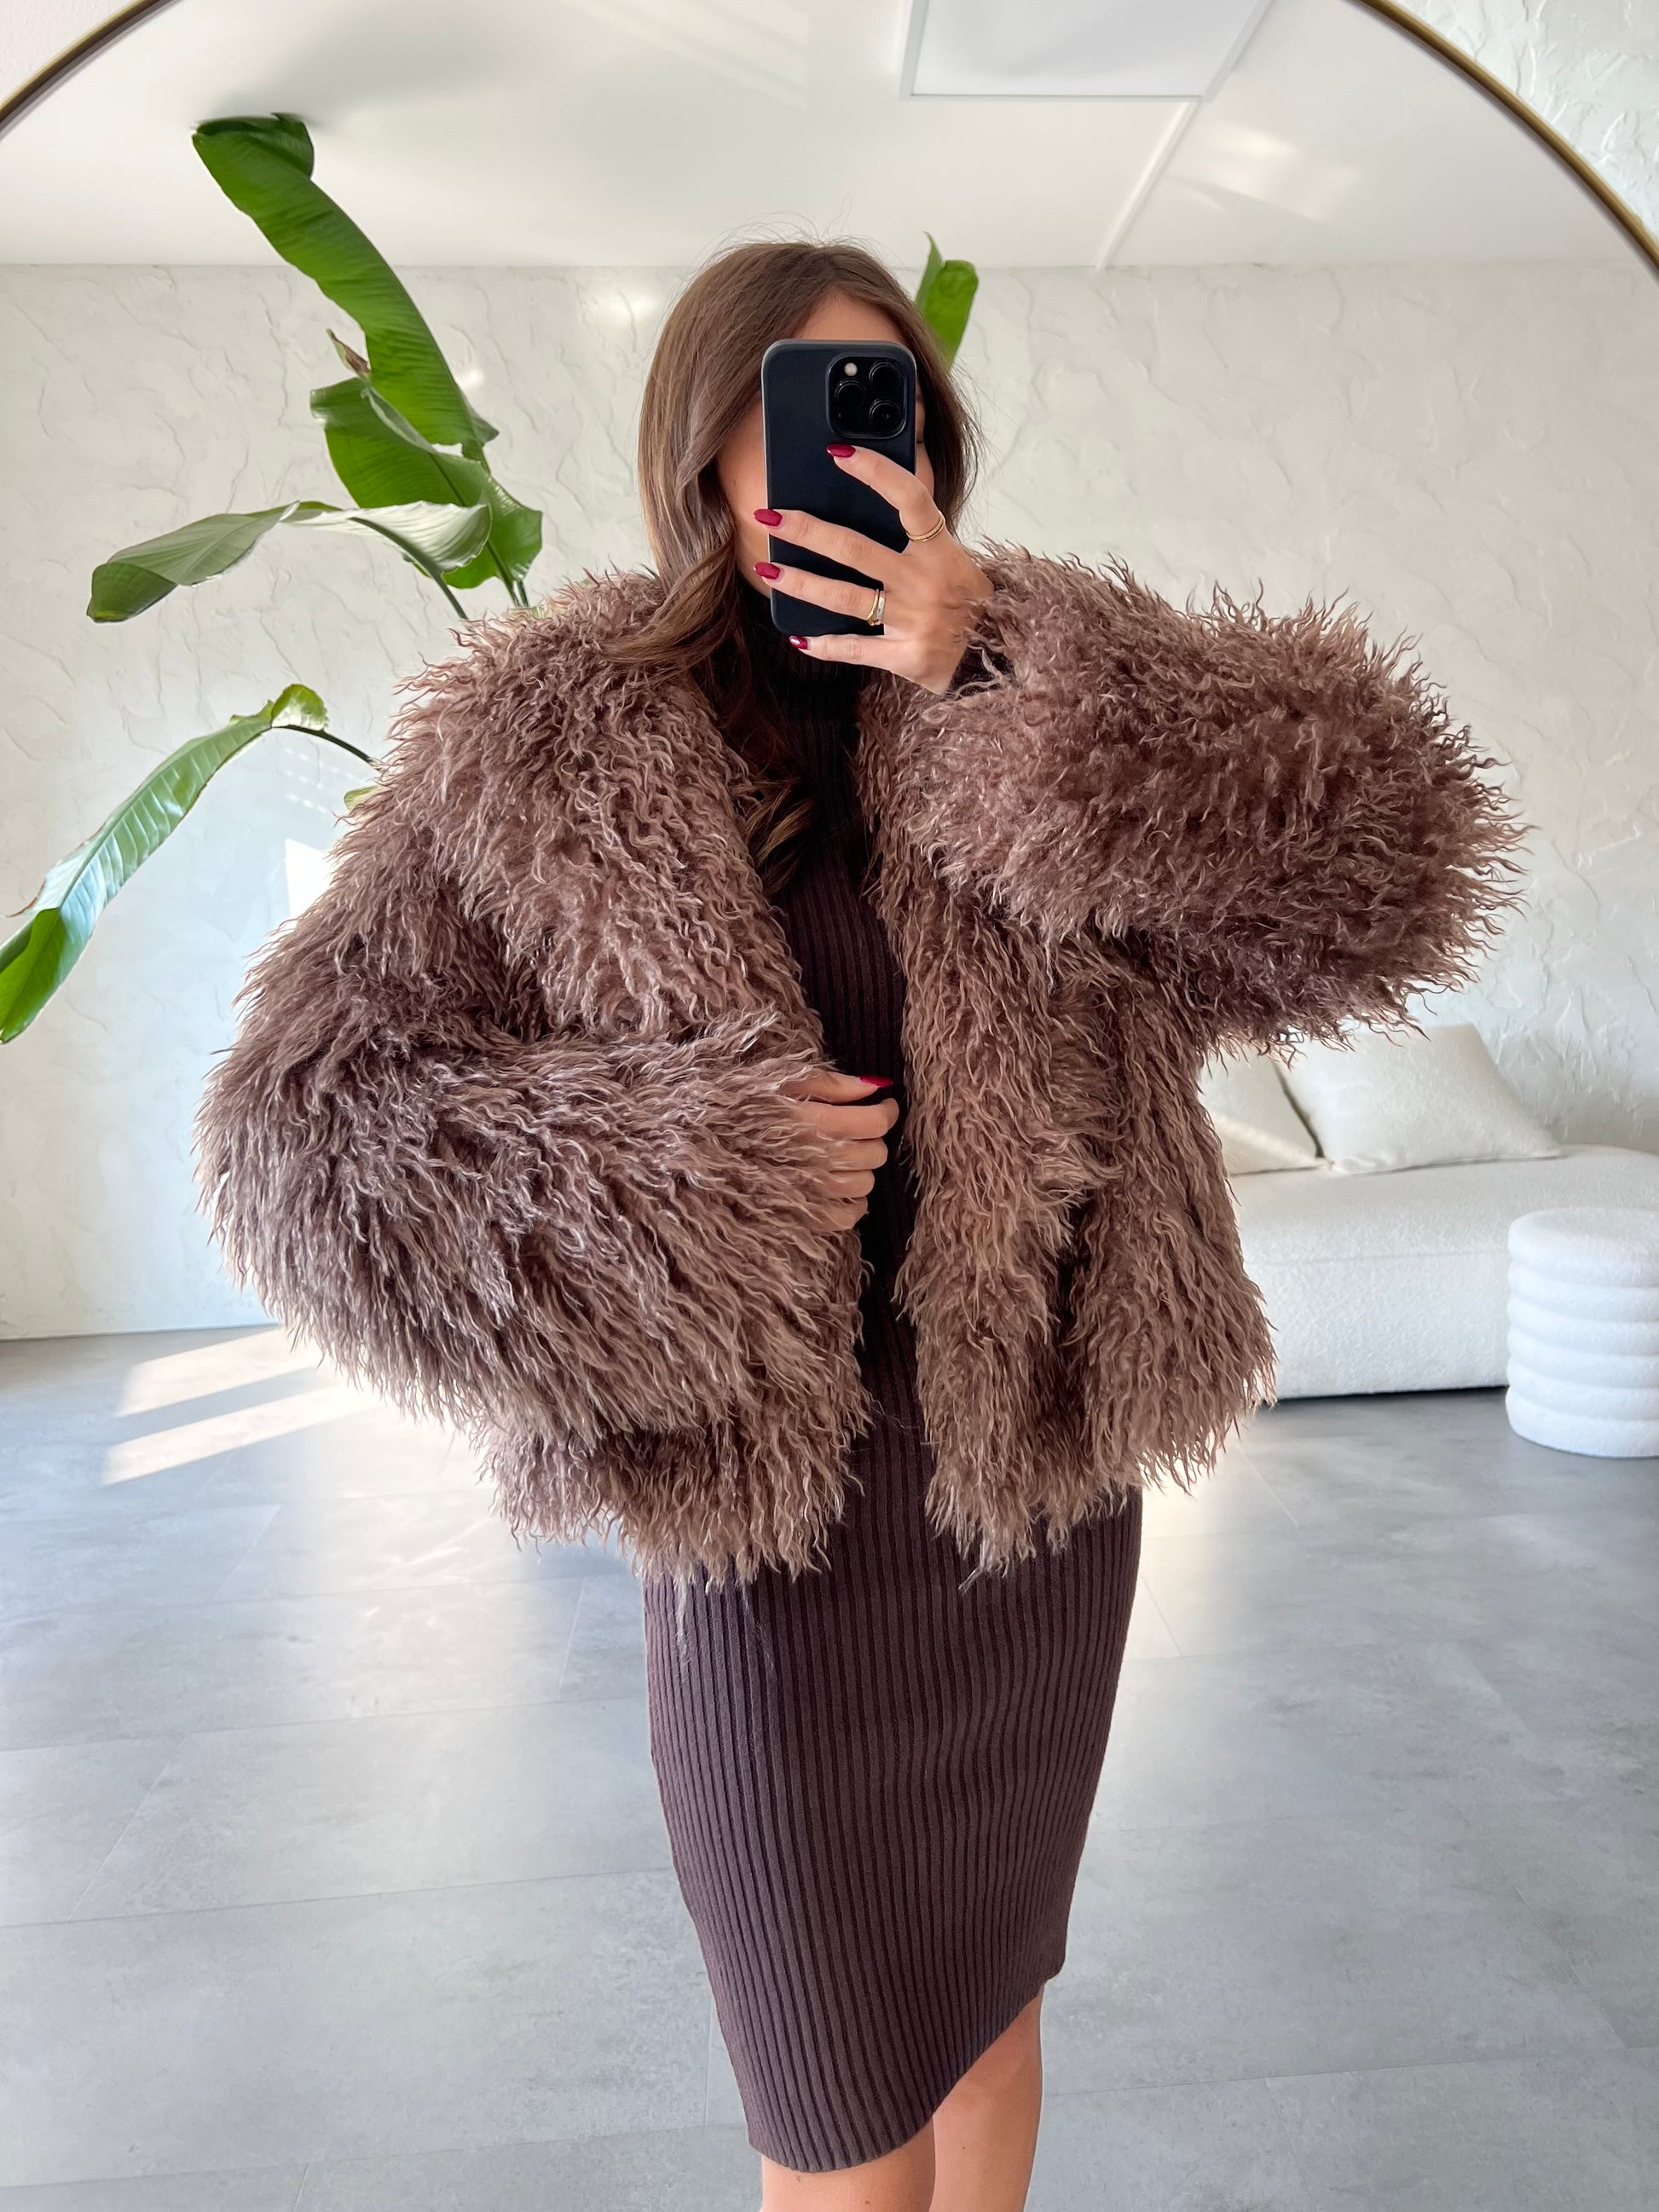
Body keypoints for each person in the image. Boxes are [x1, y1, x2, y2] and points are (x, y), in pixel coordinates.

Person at [196, 240, 1525, 2211]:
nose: (834, 460)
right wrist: (687, 1178)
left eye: (878, 411)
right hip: (773, 1542)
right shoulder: (552, 740)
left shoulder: (1029, 689)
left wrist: (1010, 667)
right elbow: (305, 1128)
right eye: (789, 412)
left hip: (1034, 1503)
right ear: (702, 447)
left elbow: (1386, 864)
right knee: (830, 2114)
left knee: (990, 2017)